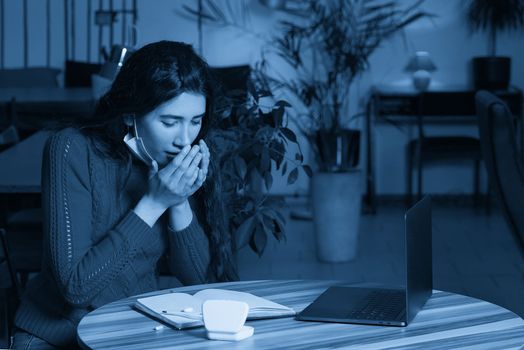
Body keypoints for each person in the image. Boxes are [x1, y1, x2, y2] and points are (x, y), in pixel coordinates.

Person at [11, 40, 238, 349]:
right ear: (131, 115)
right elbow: (76, 289)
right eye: (170, 122)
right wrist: (153, 202)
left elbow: (203, 284)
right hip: (55, 337)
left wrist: (178, 199)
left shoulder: (176, 161)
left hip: (129, 333)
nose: (185, 140)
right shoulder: (71, 149)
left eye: (195, 121)